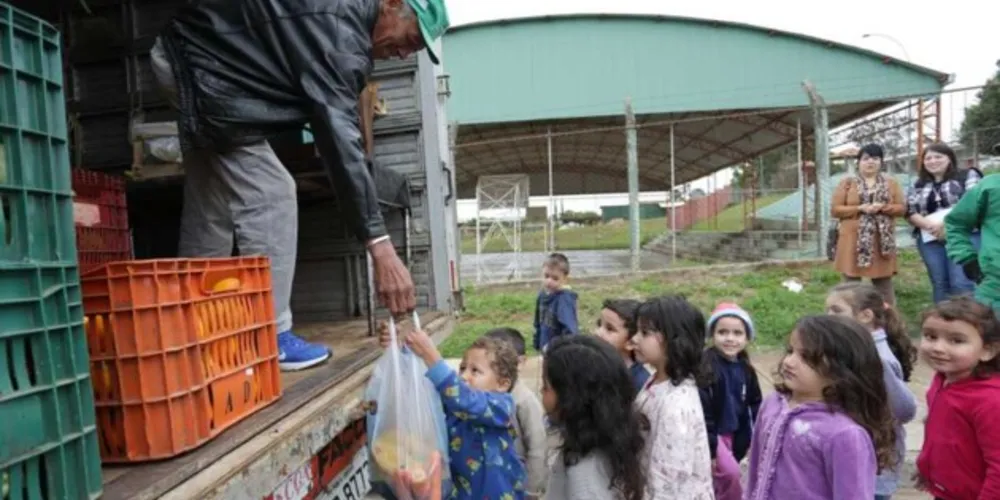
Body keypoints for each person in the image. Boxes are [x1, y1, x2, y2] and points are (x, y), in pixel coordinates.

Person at [149, 0, 450, 370]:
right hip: (201, 65)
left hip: (189, 54)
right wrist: (380, 245)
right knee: (272, 195)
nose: (404, 54)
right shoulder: (340, 36)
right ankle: (269, 335)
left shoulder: (343, 20)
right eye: (412, 40)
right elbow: (339, 139)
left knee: (212, 202)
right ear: (392, 5)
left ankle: (186, 327)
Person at [744, 315, 896, 500]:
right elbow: (754, 472)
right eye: (790, 351)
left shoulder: (844, 434)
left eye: (807, 357)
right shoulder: (773, 404)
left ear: (842, 370)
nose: (788, 362)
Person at [402, 329, 526, 499]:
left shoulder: (501, 405)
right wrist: (404, 350)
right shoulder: (455, 409)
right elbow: (428, 393)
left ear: (502, 384)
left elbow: (465, 399)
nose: (463, 376)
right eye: (462, 368)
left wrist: (430, 354)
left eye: (475, 371)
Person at [825, 283, 917, 500]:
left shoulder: (876, 359)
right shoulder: (855, 350)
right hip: (859, 461)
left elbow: (905, 410)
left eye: (837, 311)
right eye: (827, 310)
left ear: (865, 315)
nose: (829, 316)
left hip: (874, 465)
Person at [541, 335, 646, 500]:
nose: (541, 393)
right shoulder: (610, 445)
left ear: (571, 400)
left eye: (545, 387)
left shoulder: (584, 480)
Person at [915, 297, 1000, 499]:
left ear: (987, 351)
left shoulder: (990, 401)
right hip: (945, 490)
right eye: (930, 336)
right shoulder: (942, 380)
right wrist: (928, 469)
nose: (938, 347)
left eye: (956, 340)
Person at [631, 295, 714, 499]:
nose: (634, 339)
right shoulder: (656, 380)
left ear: (674, 339)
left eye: (644, 332)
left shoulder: (676, 406)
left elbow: (668, 480)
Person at [905, 142, 982, 304]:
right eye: (928, 158)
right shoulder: (918, 183)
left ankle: (968, 323)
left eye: (938, 157)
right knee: (940, 284)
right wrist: (929, 226)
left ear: (949, 159)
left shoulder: (968, 175)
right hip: (930, 239)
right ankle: (943, 323)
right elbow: (910, 210)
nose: (933, 161)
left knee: (962, 283)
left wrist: (946, 226)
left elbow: (973, 202)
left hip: (964, 236)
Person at [831, 143, 906, 304]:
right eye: (865, 158)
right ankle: (848, 319)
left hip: (881, 241)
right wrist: (859, 208)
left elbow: (901, 208)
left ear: (881, 162)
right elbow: (836, 210)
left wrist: (884, 207)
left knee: (883, 285)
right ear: (859, 162)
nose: (870, 162)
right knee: (850, 283)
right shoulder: (847, 183)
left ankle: (887, 320)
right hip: (852, 240)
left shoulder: (891, 183)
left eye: (875, 158)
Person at [701, 302, 762, 500]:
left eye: (737, 333)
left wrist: (753, 436)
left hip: (735, 433)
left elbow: (754, 404)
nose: (730, 338)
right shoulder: (706, 366)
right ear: (712, 335)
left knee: (722, 475)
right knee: (731, 474)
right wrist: (710, 445)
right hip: (713, 434)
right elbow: (704, 409)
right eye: (723, 332)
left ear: (747, 338)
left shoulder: (746, 369)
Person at [483, 328, 548, 499]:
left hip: (517, 486)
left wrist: (532, 491)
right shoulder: (484, 396)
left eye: (499, 364)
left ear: (520, 362)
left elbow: (537, 448)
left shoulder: (525, 402)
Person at [945, 163, 1000, 313]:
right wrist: (966, 257)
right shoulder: (990, 187)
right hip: (994, 284)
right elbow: (956, 223)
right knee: (992, 333)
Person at [594, 298, 651, 391]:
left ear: (631, 342)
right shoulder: (595, 365)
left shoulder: (639, 384)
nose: (597, 332)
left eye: (610, 329)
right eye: (599, 324)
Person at [533, 253, 579, 353]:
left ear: (565, 279)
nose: (549, 281)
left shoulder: (564, 299)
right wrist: (537, 342)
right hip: (544, 348)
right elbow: (538, 322)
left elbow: (570, 331)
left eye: (555, 278)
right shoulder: (542, 295)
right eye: (546, 276)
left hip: (559, 352)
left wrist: (553, 346)